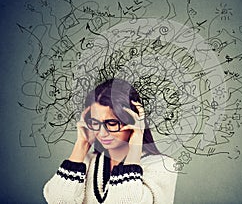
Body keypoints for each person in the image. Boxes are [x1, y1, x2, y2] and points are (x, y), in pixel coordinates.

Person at [43, 78, 177, 203]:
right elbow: (57, 200)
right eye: (95, 123)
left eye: (112, 123)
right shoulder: (85, 162)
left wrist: (136, 142)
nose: (102, 133)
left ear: (133, 120)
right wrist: (82, 144)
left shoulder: (162, 166)